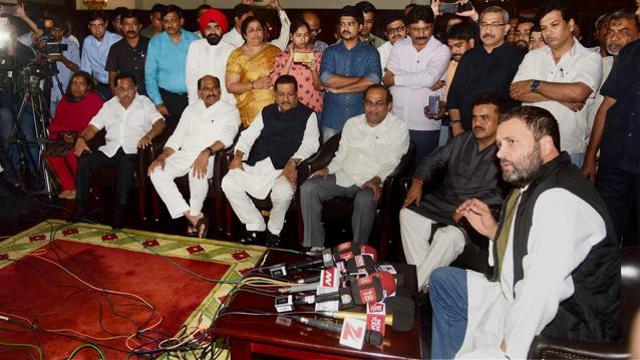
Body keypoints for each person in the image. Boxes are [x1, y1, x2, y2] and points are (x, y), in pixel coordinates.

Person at [430, 106, 619, 359]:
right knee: (444, 282)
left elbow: (543, 286)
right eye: (499, 144)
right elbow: (531, 248)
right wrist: (495, 232)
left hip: (565, 326)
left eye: (511, 142)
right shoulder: (536, 181)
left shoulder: (559, 198)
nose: (500, 153)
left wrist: (511, 345)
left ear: (545, 145)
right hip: (515, 293)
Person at [401, 93, 504, 291]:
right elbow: (433, 159)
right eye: (474, 118)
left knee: (447, 237)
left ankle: (413, 290)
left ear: (500, 120)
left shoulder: (505, 150)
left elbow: (501, 195)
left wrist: (471, 209)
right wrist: (418, 182)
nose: (477, 123)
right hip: (444, 202)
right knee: (408, 214)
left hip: (473, 212)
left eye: (485, 118)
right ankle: (424, 285)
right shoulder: (462, 140)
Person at [300, 85, 409, 249]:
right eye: (369, 103)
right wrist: (327, 169)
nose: (373, 108)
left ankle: (358, 251)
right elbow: (341, 155)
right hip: (344, 176)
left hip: (371, 181)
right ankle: (314, 245)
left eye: (379, 103)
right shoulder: (352, 123)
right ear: (363, 103)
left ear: (389, 105)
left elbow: (392, 161)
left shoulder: (398, 128)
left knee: (365, 199)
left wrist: (376, 179)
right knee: (309, 187)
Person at [222, 75, 319, 247]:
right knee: (228, 182)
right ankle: (255, 225)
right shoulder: (267, 111)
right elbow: (248, 135)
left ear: (297, 94)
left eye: (290, 94)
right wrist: (238, 157)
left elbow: (311, 144)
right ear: (275, 95)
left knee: (283, 192)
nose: (286, 98)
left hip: (283, 167)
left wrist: (292, 162)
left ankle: (274, 231)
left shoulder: (308, 115)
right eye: (281, 94)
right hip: (258, 164)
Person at [510, 1, 602, 167]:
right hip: (531, 145)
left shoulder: (589, 58)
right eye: (544, 28)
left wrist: (534, 83)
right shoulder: (533, 56)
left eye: (554, 25)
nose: (548, 33)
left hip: (568, 149)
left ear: (571, 24)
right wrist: (562, 98)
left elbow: (578, 93)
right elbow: (516, 91)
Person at [149, 75, 240, 238]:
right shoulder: (191, 109)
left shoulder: (230, 111)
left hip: (210, 155)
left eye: (213, 88)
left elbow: (228, 138)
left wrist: (206, 152)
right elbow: (177, 137)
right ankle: (193, 217)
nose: (210, 92)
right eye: (205, 88)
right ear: (199, 92)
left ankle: (195, 215)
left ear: (220, 91)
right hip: (185, 153)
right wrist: (162, 156)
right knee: (156, 171)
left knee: (196, 172)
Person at [71, 73, 165, 228]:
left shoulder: (145, 103)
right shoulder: (109, 105)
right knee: (85, 160)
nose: (125, 92)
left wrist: (148, 136)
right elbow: (93, 127)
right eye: (121, 89)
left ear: (136, 88)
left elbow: (160, 123)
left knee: (126, 164)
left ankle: (120, 211)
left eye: (129, 89)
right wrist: (81, 139)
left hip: (133, 151)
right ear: (115, 89)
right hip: (110, 149)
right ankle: (81, 207)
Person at [582, 18, 640, 244]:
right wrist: (590, 158)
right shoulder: (630, 53)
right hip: (614, 162)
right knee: (604, 233)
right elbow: (606, 107)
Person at [384, 5, 450, 167]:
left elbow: (428, 77)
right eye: (416, 29)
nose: (421, 34)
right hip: (396, 121)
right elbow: (386, 78)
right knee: (392, 172)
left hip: (426, 121)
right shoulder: (399, 45)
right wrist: (424, 81)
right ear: (407, 29)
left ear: (433, 27)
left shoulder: (442, 50)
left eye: (426, 28)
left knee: (421, 174)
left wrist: (398, 79)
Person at [447, 6, 525, 136]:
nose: (488, 29)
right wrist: (456, 124)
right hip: (465, 132)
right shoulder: (469, 56)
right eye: (484, 24)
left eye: (495, 24)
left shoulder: (518, 57)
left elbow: (518, 101)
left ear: (506, 29)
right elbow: (454, 95)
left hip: (501, 134)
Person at [319, 6, 382, 141]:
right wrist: (362, 80)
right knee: (329, 160)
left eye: (350, 24)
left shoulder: (370, 52)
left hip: (360, 118)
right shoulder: (330, 51)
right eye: (342, 24)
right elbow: (326, 78)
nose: (345, 28)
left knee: (359, 160)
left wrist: (339, 90)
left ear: (360, 27)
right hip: (332, 119)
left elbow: (374, 80)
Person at [584, 10, 639, 159]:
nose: (613, 37)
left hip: (622, 158)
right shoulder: (596, 65)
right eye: (610, 31)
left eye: (623, 32)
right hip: (586, 152)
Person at [47, 72, 104, 200]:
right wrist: (63, 134)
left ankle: (83, 187)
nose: (76, 87)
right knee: (51, 155)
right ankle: (71, 187)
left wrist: (76, 136)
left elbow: (94, 126)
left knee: (72, 153)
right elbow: (58, 123)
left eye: (81, 84)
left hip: (90, 139)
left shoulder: (93, 99)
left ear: (88, 87)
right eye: (74, 83)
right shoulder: (65, 100)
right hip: (66, 138)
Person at [145, 5, 198, 133]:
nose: (169, 24)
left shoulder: (194, 40)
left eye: (173, 20)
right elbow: (150, 75)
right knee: (170, 138)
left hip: (192, 97)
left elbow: (201, 69)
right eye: (166, 21)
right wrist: (158, 102)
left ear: (181, 21)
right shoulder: (155, 42)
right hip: (167, 99)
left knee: (192, 134)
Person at [226, 17, 280, 127]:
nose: (256, 33)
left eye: (258, 29)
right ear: (244, 34)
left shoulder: (275, 51)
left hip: (276, 109)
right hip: (251, 113)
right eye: (251, 30)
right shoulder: (237, 55)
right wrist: (254, 84)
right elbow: (231, 86)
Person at [272, 19, 323, 113]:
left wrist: (314, 70)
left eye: (306, 35)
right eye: (298, 35)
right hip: (288, 106)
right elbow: (277, 83)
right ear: (291, 36)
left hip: (312, 106)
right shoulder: (282, 56)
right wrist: (290, 57)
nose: (303, 39)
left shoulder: (317, 55)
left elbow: (319, 86)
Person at [186, 8, 235, 106]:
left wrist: (232, 106)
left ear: (222, 29)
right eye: (208, 28)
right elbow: (191, 78)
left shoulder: (231, 49)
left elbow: (232, 81)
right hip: (200, 103)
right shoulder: (195, 46)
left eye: (217, 28)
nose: (213, 32)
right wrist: (193, 104)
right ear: (204, 30)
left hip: (225, 102)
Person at [41, 15, 81, 114]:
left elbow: (77, 69)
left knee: (67, 124)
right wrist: (41, 53)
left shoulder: (71, 45)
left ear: (64, 31)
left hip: (66, 91)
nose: (57, 33)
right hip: (49, 91)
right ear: (49, 30)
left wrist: (62, 58)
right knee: (51, 124)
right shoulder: (43, 44)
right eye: (54, 30)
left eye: (60, 30)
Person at [105, 9, 149, 97]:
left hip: (149, 93)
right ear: (121, 26)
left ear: (140, 26)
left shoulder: (150, 45)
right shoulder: (115, 48)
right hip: (126, 95)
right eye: (126, 24)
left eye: (134, 24)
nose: (130, 27)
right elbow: (112, 77)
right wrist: (116, 98)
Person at [80, 11, 122, 101]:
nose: (97, 29)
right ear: (89, 26)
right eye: (93, 25)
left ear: (106, 24)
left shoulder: (116, 40)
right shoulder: (87, 41)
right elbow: (85, 68)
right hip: (100, 86)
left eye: (100, 25)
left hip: (118, 84)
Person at [222, 0, 291, 50]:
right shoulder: (225, 40)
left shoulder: (267, 46)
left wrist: (278, 7)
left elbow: (287, 28)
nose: (255, 33)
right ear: (237, 20)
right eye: (247, 18)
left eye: (258, 29)